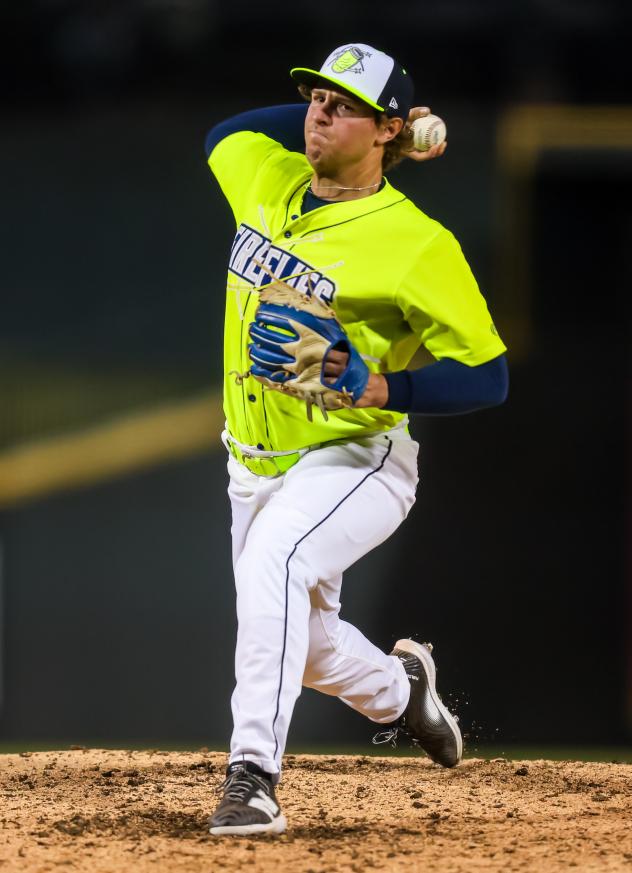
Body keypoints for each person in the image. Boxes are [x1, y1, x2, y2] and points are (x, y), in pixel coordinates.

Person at [204, 42, 508, 836]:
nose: (317, 113)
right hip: (253, 458)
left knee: (275, 563)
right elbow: (227, 132)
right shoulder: (264, 177)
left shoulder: (417, 243)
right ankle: (403, 689)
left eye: (342, 105)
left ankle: (252, 778)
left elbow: (489, 374)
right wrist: (388, 131)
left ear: (384, 129)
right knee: (297, 646)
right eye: (315, 99)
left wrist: (386, 385)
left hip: (355, 457)